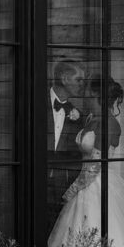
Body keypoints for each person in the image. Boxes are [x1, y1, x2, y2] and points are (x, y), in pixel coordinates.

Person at [47, 76, 124, 247]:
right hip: (85, 179)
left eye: (89, 94)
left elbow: (96, 164)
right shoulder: (91, 118)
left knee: (95, 229)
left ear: (97, 96)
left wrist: (72, 190)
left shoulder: (110, 123)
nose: (85, 97)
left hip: (94, 181)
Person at [47, 60, 87, 233]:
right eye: (79, 80)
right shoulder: (34, 104)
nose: (82, 84)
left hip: (60, 186)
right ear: (64, 78)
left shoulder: (78, 116)